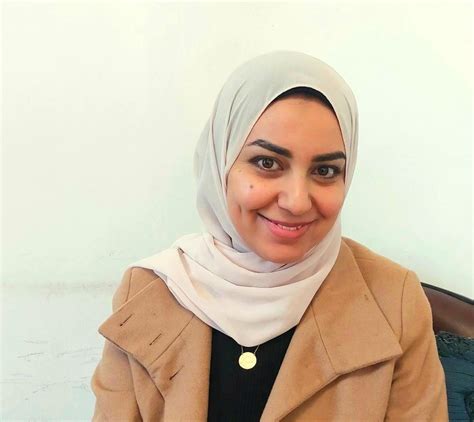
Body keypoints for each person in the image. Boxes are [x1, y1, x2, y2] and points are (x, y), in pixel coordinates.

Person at [90, 51, 448, 421]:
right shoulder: (150, 291)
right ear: (221, 161)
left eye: (325, 170)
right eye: (267, 163)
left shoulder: (394, 301)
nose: (296, 201)